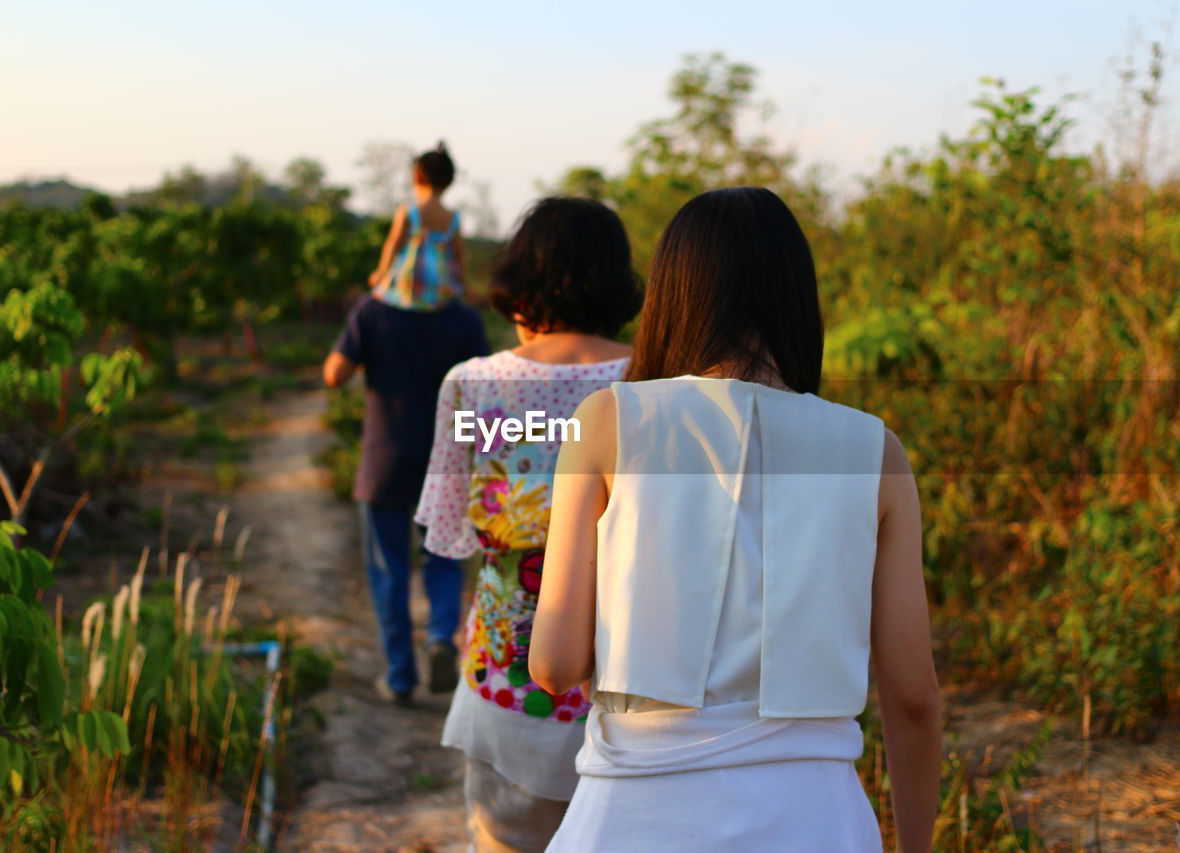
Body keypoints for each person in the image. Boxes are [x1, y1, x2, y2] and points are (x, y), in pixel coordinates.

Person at [530, 187, 942, 852]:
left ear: (672, 294)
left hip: (633, 817)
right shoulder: (874, 450)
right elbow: (914, 696)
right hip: (816, 819)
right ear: (796, 298)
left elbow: (554, 662)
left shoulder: (609, 422)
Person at [415, 198, 642, 852]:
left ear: (522, 285)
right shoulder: (652, 380)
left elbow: (456, 531)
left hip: (506, 671)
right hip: (633, 681)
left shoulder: (475, 387)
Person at [323, 147, 489, 704]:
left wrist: (371, 297)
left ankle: (399, 678)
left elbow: (333, 375)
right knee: (444, 557)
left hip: (384, 461)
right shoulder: (462, 319)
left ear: (416, 178)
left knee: (389, 573)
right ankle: (443, 634)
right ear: (450, 179)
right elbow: (485, 388)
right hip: (446, 461)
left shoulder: (372, 311)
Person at [369, 142, 466, 311]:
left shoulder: (408, 212)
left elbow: (393, 244)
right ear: (449, 182)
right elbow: (459, 255)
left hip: (406, 288)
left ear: (417, 177)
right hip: (440, 292)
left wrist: (381, 272)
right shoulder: (453, 219)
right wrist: (466, 287)